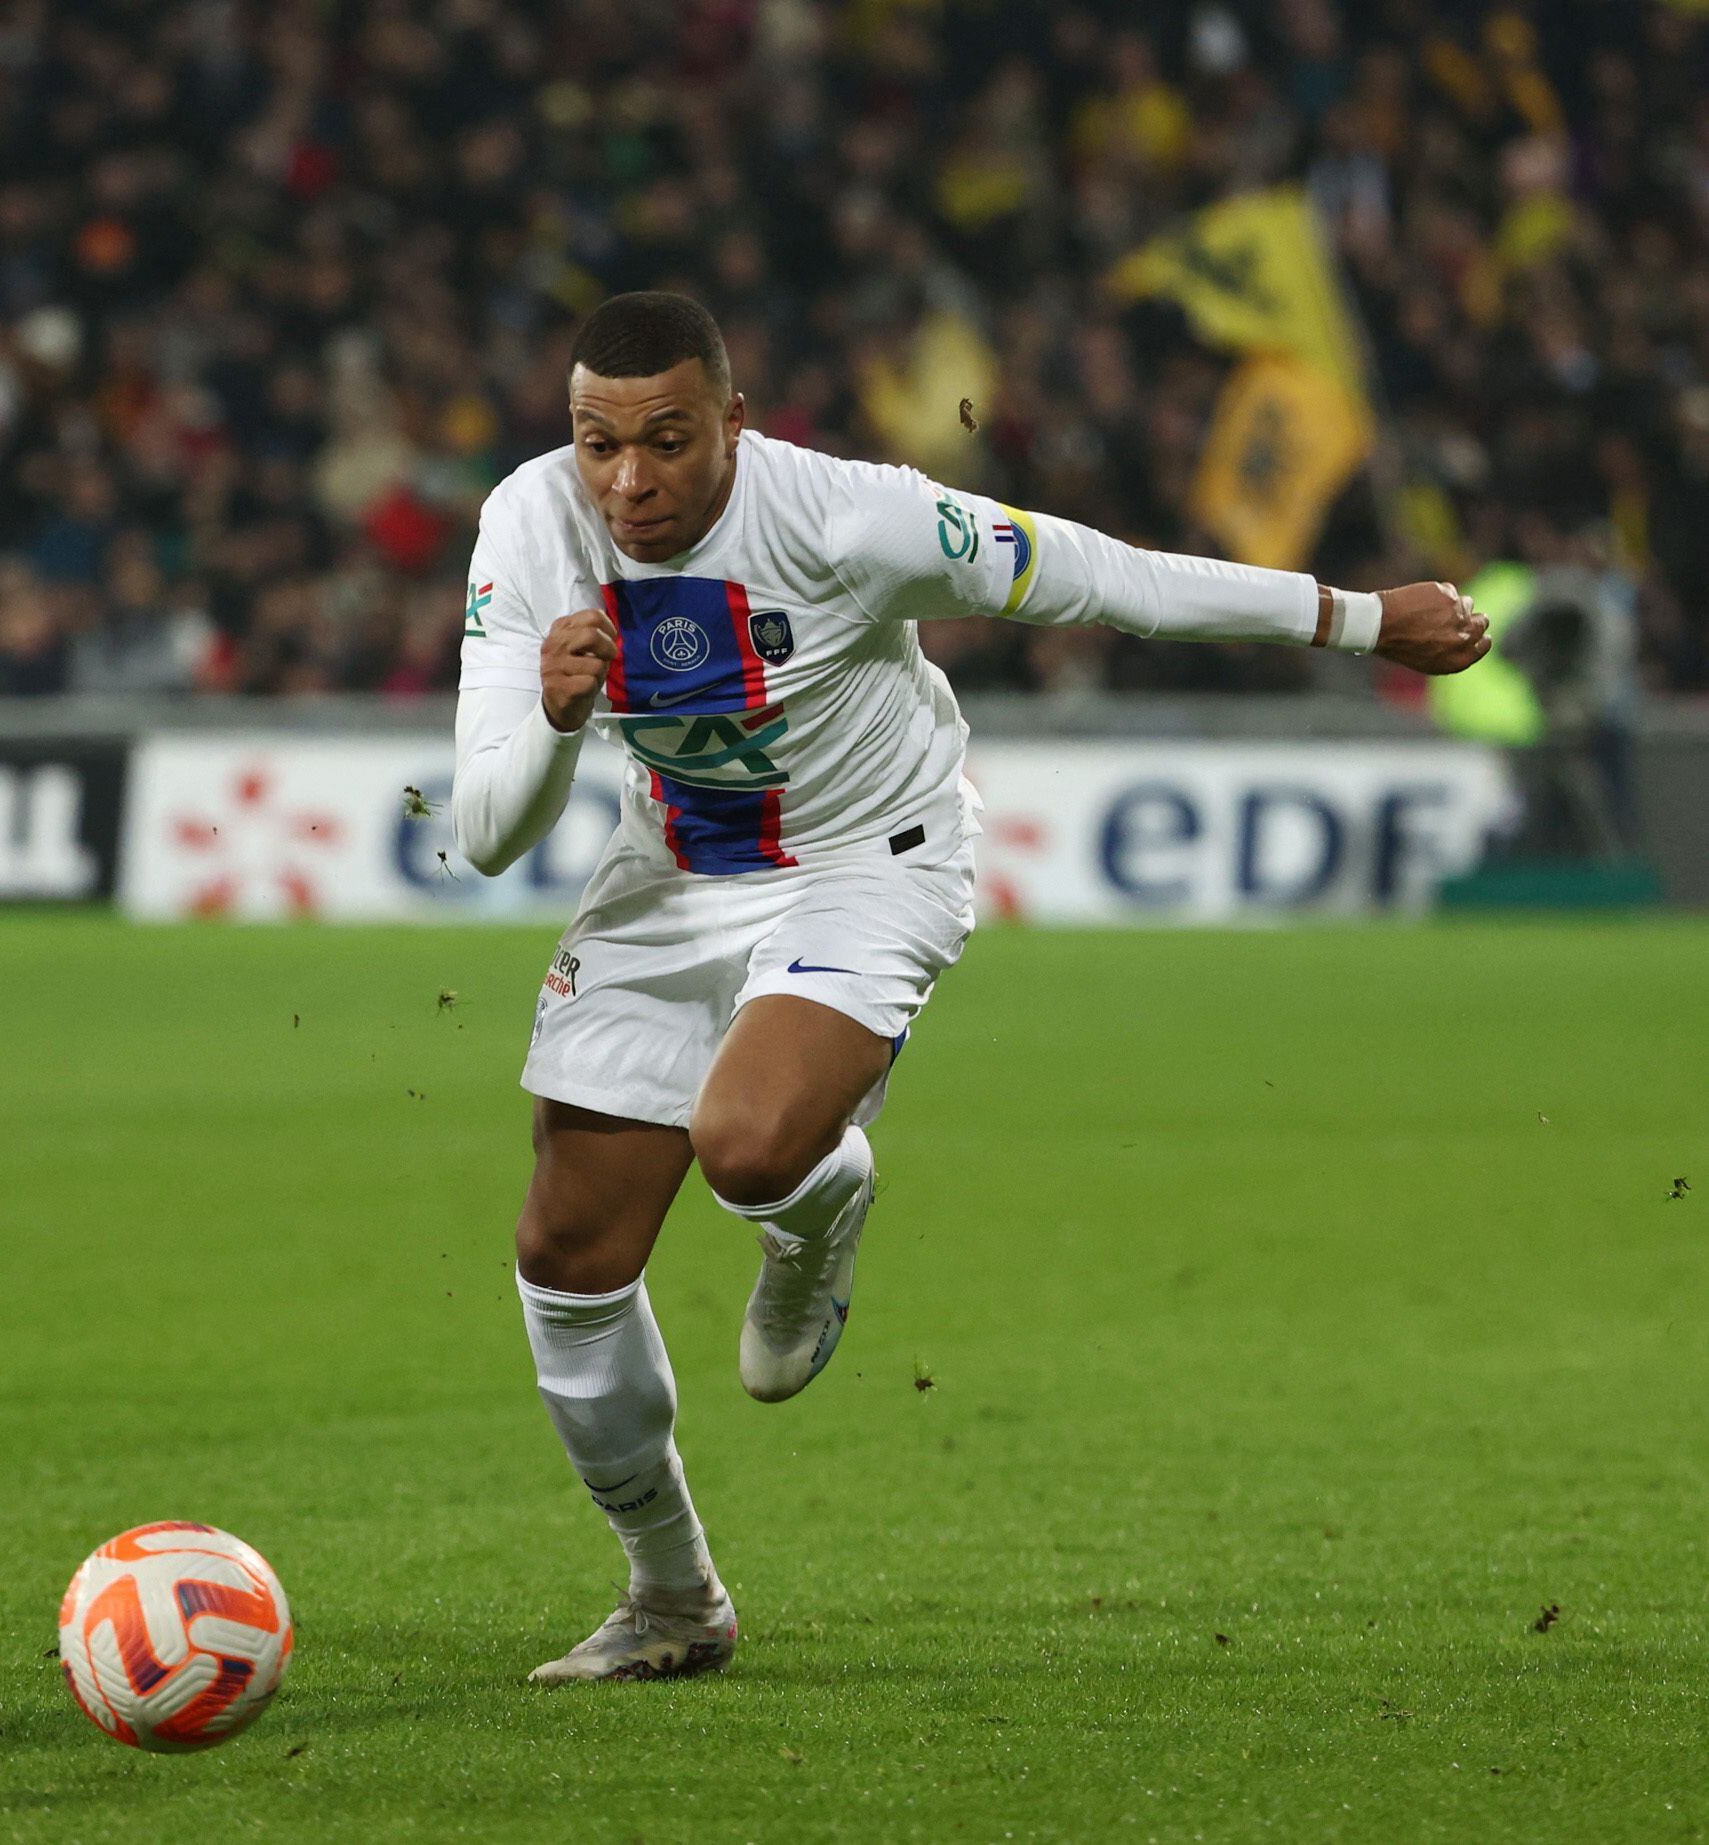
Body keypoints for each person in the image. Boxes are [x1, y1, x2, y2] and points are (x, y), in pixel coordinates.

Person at [451, 292, 1489, 1684]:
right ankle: (671, 1598)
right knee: (564, 1259)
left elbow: (1107, 577)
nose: (627, 479)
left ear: (734, 427)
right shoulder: (529, 525)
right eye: (596, 442)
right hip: (669, 874)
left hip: (866, 861)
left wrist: (1359, 617)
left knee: (747, 1140)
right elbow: (485, 828)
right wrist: (555, 718)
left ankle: (816, 1211)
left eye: (666, 441)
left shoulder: (849, 519)